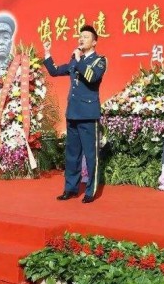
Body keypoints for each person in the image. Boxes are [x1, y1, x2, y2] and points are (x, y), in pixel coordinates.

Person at [43, 25, 107, 203]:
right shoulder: (75, 60)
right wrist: (47, 52)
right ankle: (70, 188)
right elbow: (55, 71)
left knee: (91, 155)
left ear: (94, 42)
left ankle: (90, 191)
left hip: (88, 115)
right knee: (72, 155)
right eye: (80, 36)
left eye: (86, 37)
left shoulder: (99, 61)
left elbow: (91, 77)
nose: (81, 39)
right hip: (72, 113)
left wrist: (78, 59)